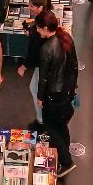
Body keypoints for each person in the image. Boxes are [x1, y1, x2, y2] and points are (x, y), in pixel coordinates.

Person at [31, 9, 80, 174]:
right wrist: (73, 89)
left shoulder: (46, 49)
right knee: (61, 125)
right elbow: (74, 67)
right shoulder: (66, 39)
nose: (37, 31)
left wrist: (40, 97)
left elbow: (43, 78)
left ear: (45, 28)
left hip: (53, 94)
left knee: (51, 126)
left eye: (38, 28)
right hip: (67, 92)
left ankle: (66, 162)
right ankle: (63, 153)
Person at [14, 0, 52, 123]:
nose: (29, 7)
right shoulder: (46, 18)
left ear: (40, 7)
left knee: (35, 89)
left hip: (42, 64)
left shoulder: (40, 28)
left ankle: (41, 119)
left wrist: (24, 66)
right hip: (45, 63)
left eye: (31, 5)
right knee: (36, 88)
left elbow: (34, 50)